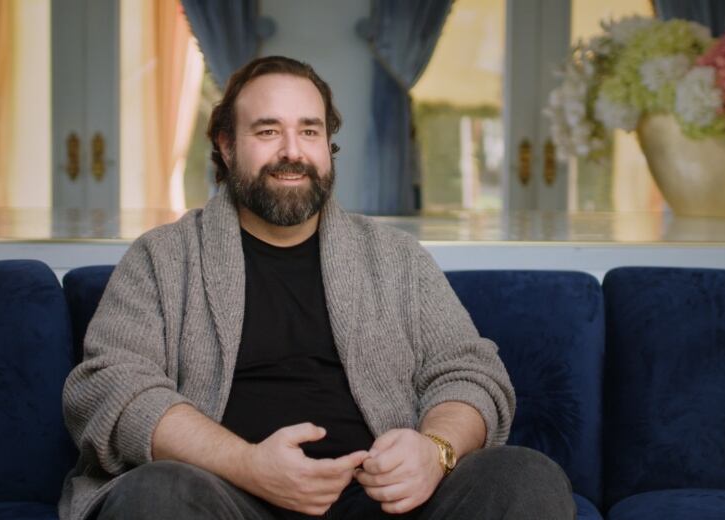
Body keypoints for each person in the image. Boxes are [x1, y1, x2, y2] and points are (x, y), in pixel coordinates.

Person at [60, 55, 575, 520]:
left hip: (388, 506)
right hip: (225, 500)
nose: (292, 152)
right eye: (267, 131)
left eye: (309, 131)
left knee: (528, 478)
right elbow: (111, 386)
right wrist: (247, 465)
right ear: (225, 144)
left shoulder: (395, 257)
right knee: (158, 496)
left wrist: (434, 450)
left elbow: (469, 373)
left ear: (327, 145)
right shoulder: (164, 257)